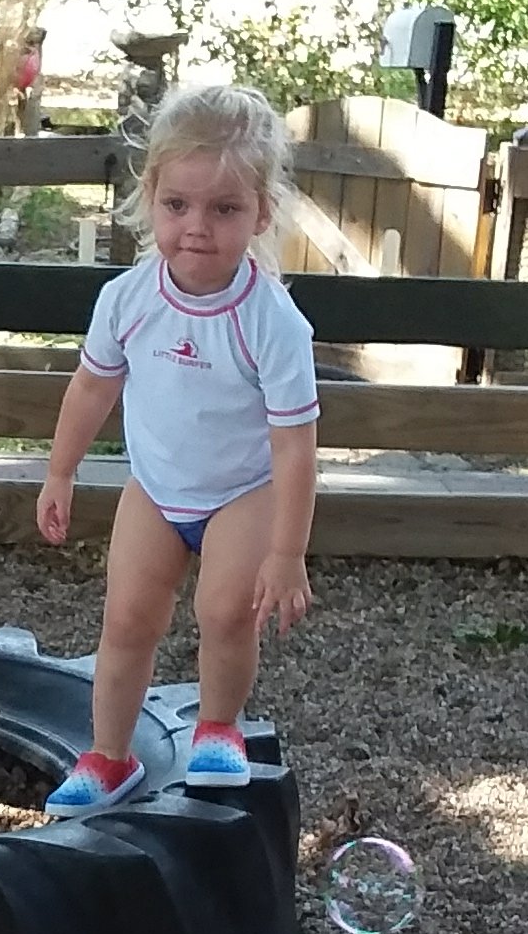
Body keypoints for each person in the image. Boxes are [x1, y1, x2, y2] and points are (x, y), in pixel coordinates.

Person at [34, 81, 320, 811]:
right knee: (127, 618)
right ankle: (109, 757)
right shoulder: (128, 300)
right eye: (177, 205)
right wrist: (60, 472)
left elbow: (294, 446)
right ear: (150, 199)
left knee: (225, 613)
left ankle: (218, 729)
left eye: (224, 209)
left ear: (260, 213)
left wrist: (287, 553)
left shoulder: (271, 320)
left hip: (242, 492)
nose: (197, 227)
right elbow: (90, 389)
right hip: (155, 489)